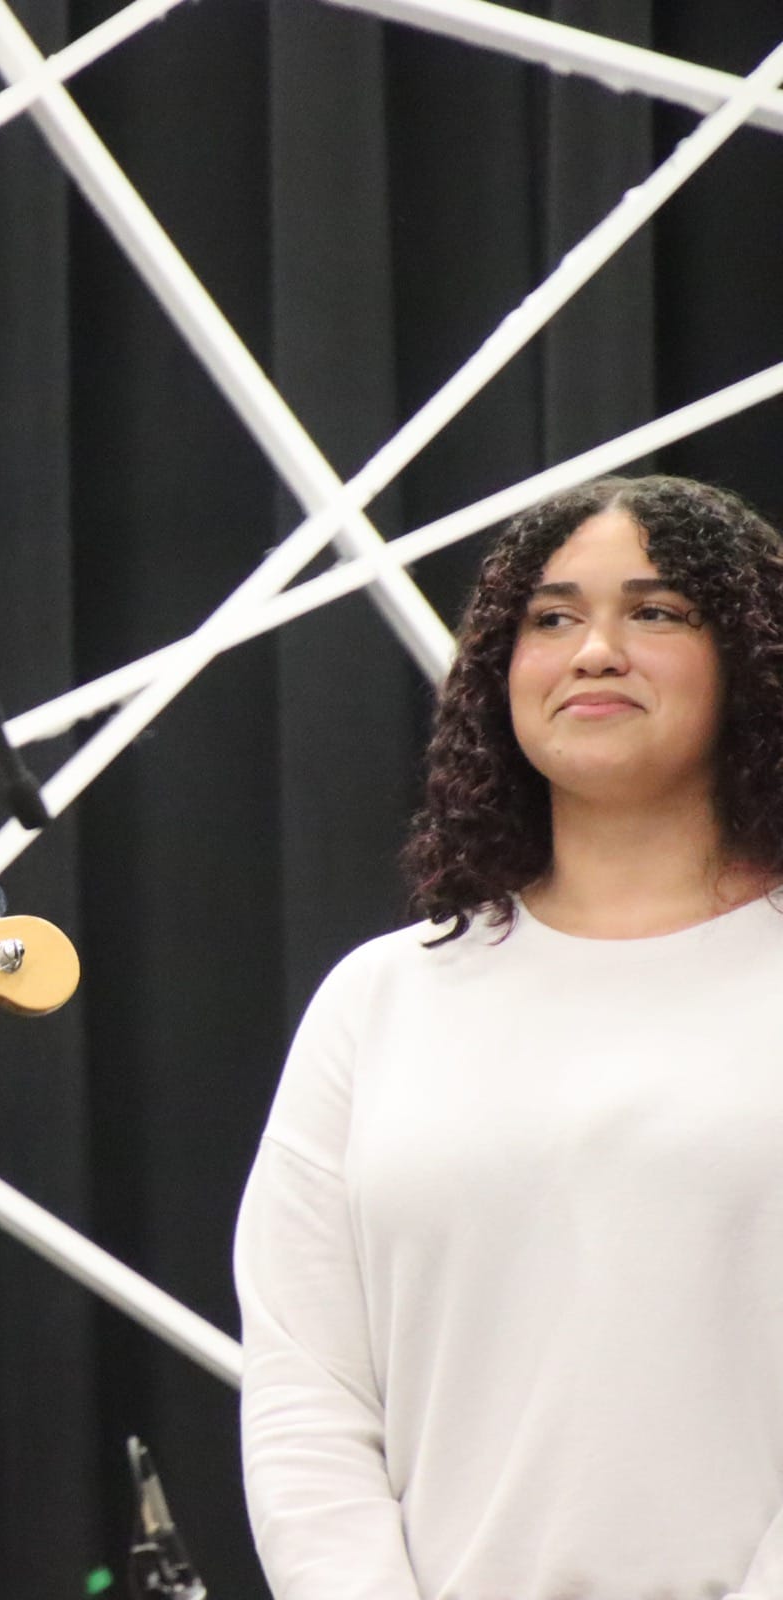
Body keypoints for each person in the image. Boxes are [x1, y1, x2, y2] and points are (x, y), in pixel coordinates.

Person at [236, 475, 783, 1599]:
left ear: (751, 662)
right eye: (552, 618)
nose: (596, 651)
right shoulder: (379, 1000)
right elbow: (307, 1393)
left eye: (656, 611)